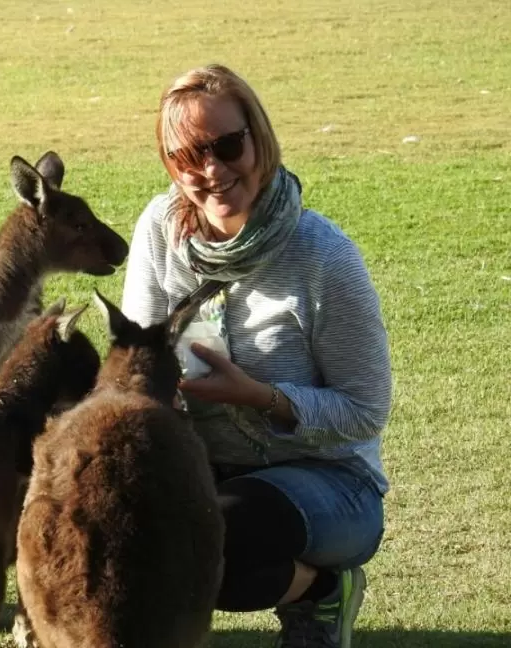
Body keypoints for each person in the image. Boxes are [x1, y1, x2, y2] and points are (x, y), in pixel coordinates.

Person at [120, 63, 391, 648]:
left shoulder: (325, 256)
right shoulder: (157, 232)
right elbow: (134, 361)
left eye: (226, 145)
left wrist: (260, 398)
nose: (212, 170)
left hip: (329, 481)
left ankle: (322, 594)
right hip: (201, 467)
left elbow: (366, 410)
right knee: (126, 528)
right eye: (188, 156)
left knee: (210, 542)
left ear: (258, 139)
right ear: (169, 164)